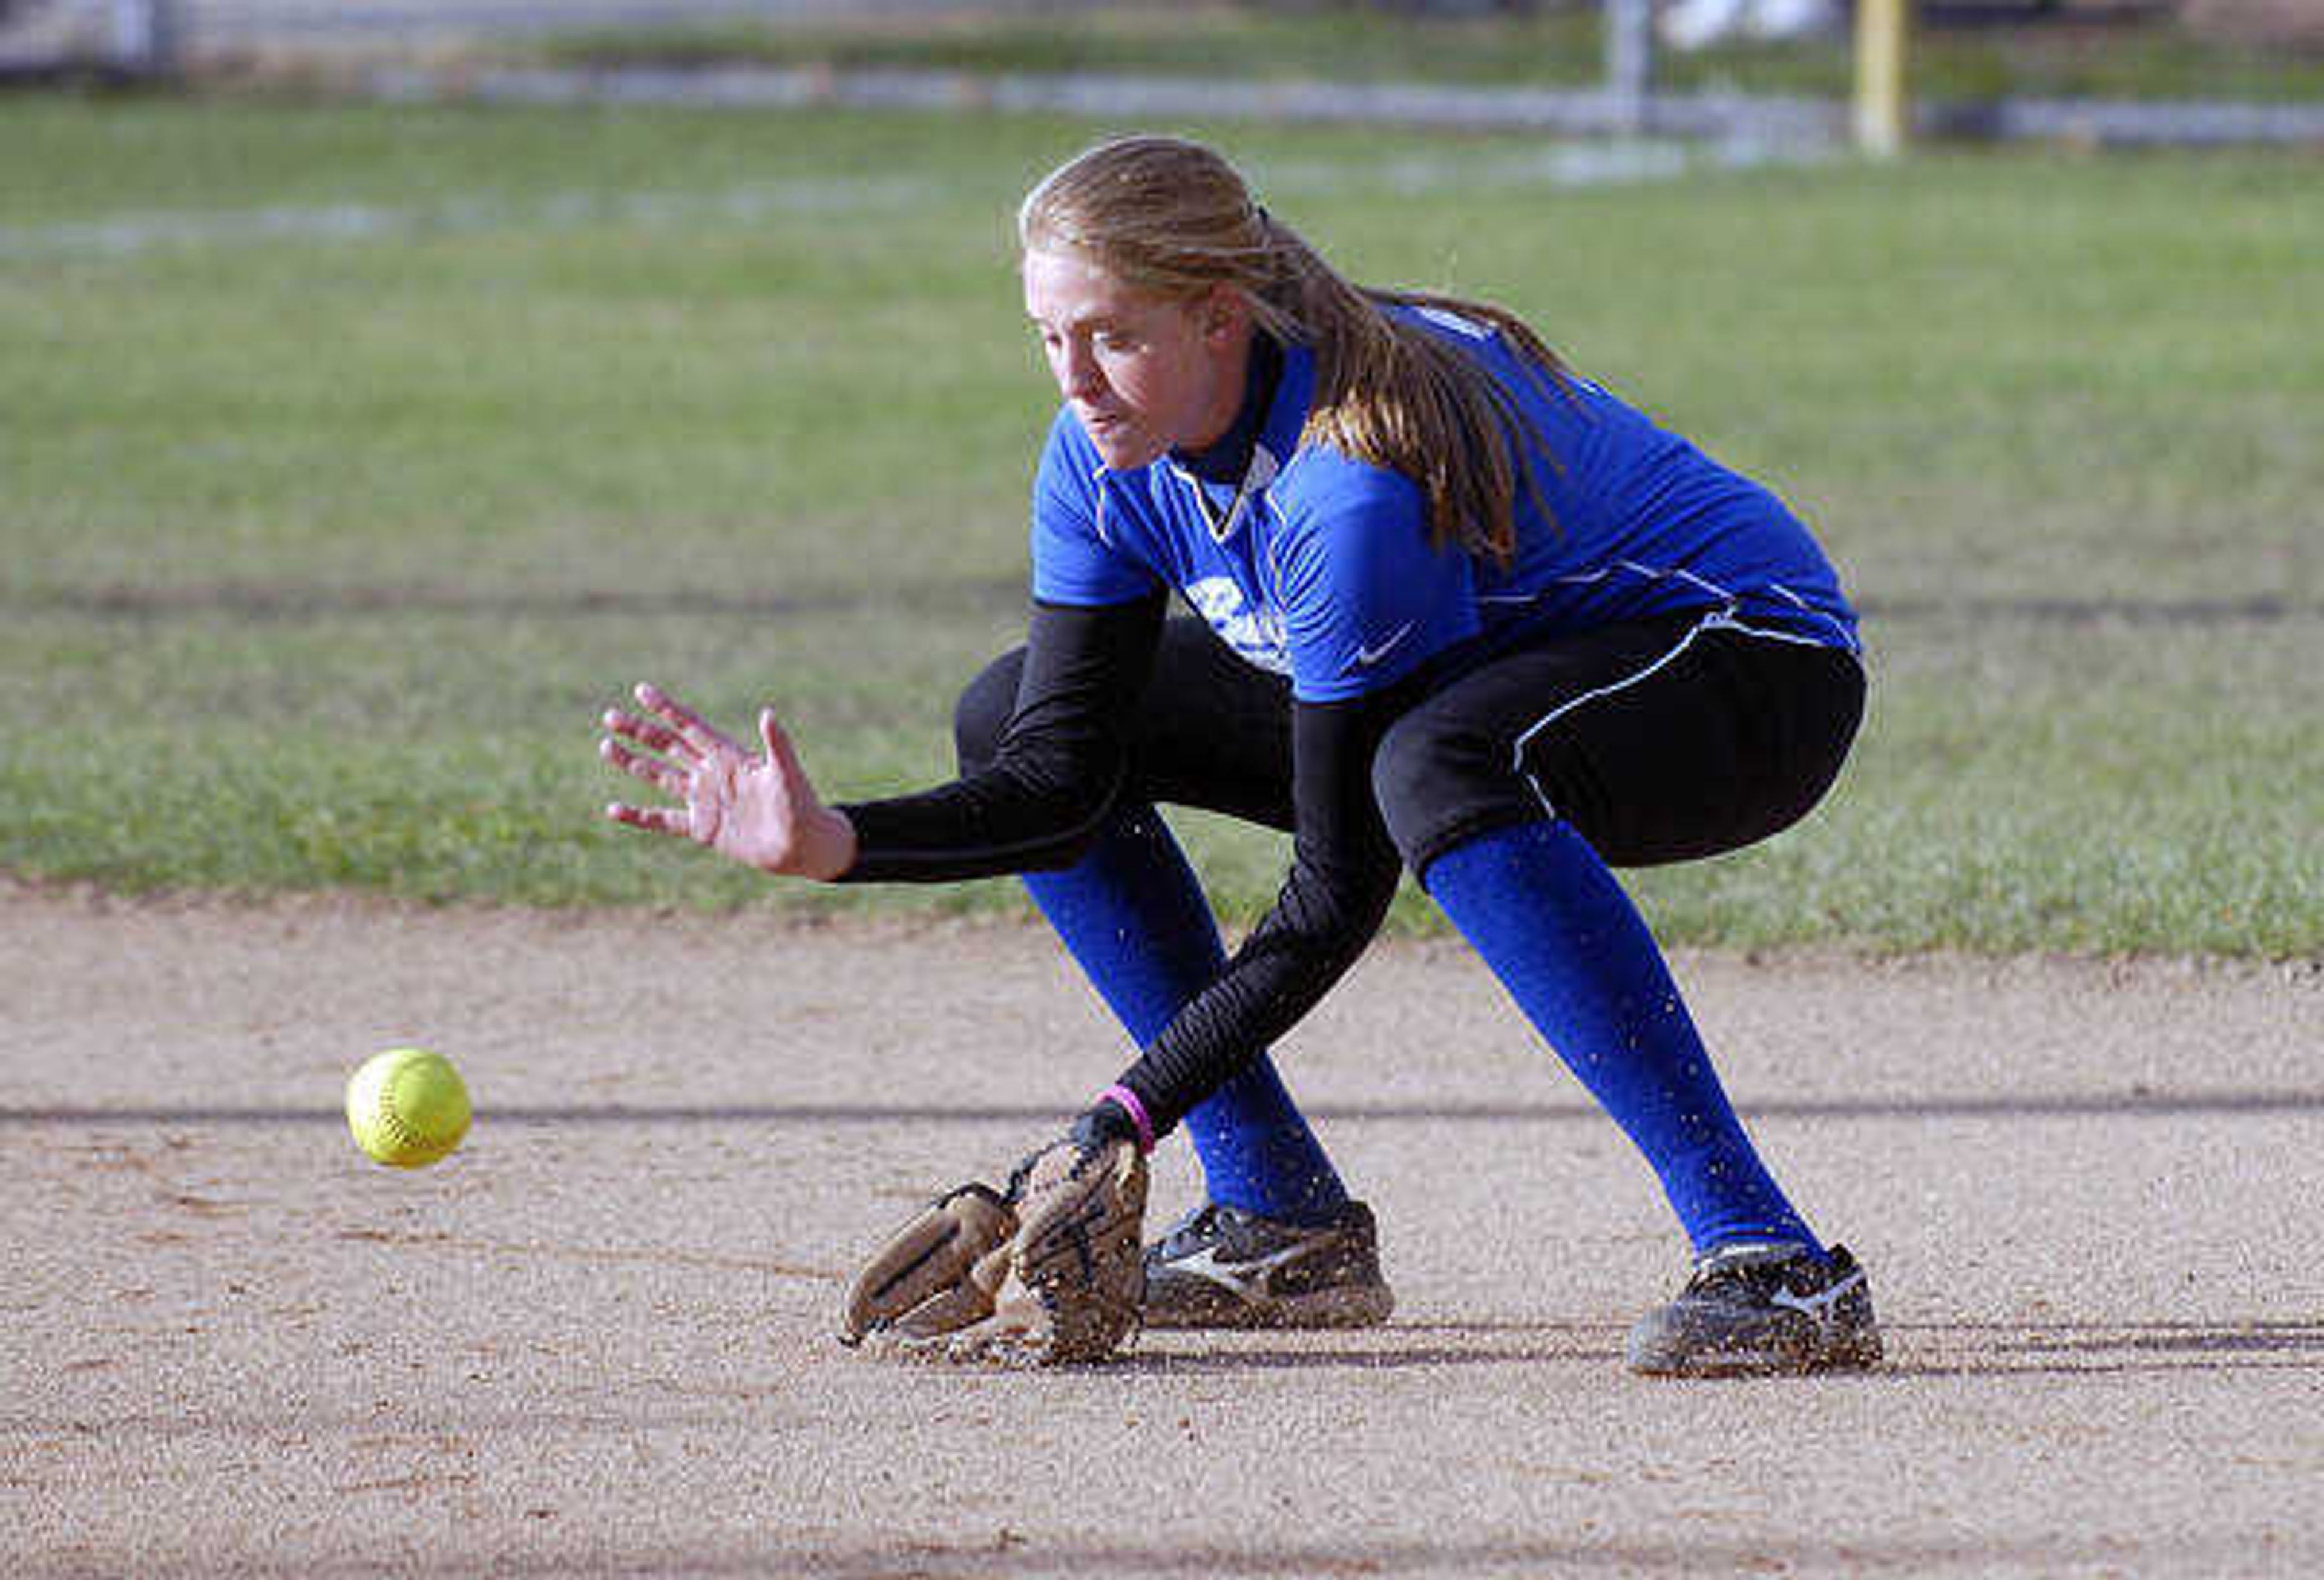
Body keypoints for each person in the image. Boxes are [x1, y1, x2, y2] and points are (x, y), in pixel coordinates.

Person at [599, 133, 1881, 1377]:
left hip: (1745, 670)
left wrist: (1116, 1122)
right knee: (1012, 706)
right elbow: (1052, 778)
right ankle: (1282, 1221)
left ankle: (1771, 1257)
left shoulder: (1350, 483)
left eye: (1113, 334)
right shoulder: (1102, 460)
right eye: (1052, 336)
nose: (1075, 378)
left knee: (1438, 768)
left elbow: (1337, 892)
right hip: (1488, 675)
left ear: (1222, 319)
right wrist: (837, 843)